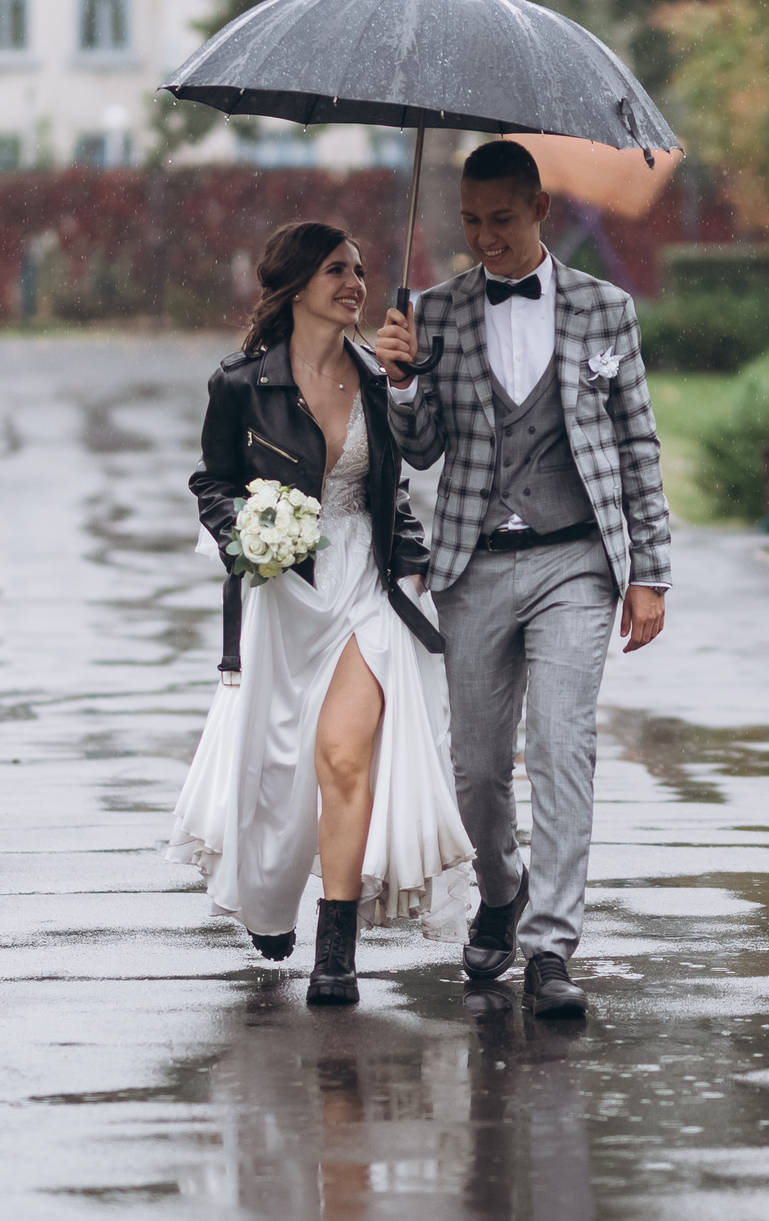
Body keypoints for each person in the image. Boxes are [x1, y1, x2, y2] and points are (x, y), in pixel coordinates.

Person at [375, 140, 671, 1020]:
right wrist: (398, 379)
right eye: (470, 222)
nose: (484, 238)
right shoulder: (436, 310)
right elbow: (420, 446)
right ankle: (500, 892)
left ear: (540, 209)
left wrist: (648, 571)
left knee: (561, 745)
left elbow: (637, 444)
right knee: (474, 767)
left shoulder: (604, 308)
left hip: (576, 557)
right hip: (472, 563)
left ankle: (549, 946)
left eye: (500, 220)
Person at [171, 221, 476, 1006]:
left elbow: (402, 480)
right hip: (281, 590)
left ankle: (336, 947)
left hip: (366, 583)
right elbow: (214, 480)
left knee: (344, 755)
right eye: (338, 269)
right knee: (276, 766)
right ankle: (269, 906)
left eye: (362, 269)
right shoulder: (239, 382)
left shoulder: (378, 373)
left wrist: (412, 564)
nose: (356, 283)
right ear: (297, 282)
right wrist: (245, 531)